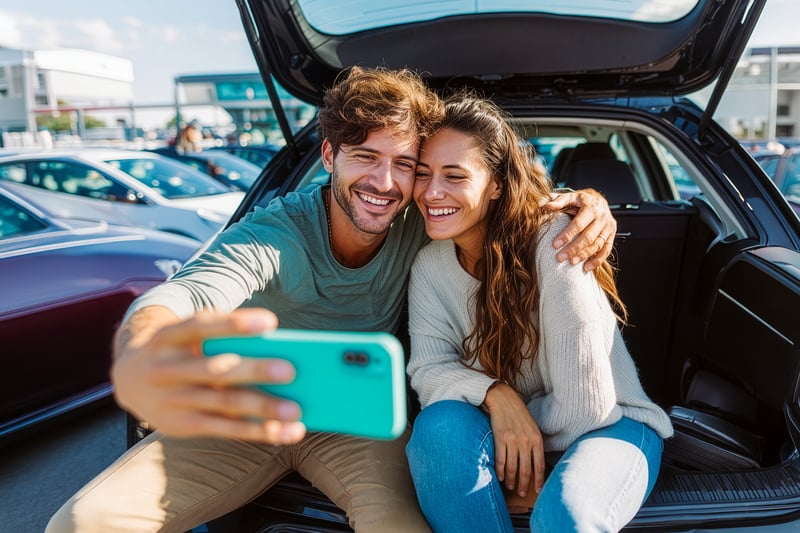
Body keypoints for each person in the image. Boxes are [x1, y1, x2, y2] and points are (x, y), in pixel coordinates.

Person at [46, 67, 617, 533]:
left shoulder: (423, 217)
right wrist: (145, 346)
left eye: (404, 165)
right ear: (328, 156)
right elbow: (187, 293)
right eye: (365, 157)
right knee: (81, 524)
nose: (386, 183)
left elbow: (497, 202)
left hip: (360, 425)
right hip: (248, 414)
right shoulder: (276, 233)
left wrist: (585, 201)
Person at [404, 93, 673, 532]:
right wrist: (497, 396)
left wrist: (519, 457)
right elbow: (429, 370)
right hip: (507, 426)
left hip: (610, 423)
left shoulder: (556, 242)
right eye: (422, 173)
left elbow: (586, 408)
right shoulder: (429, 265)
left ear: (495, 184)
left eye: (455, 175)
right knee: (437, 430)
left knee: (564, 515)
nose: (433, 192)